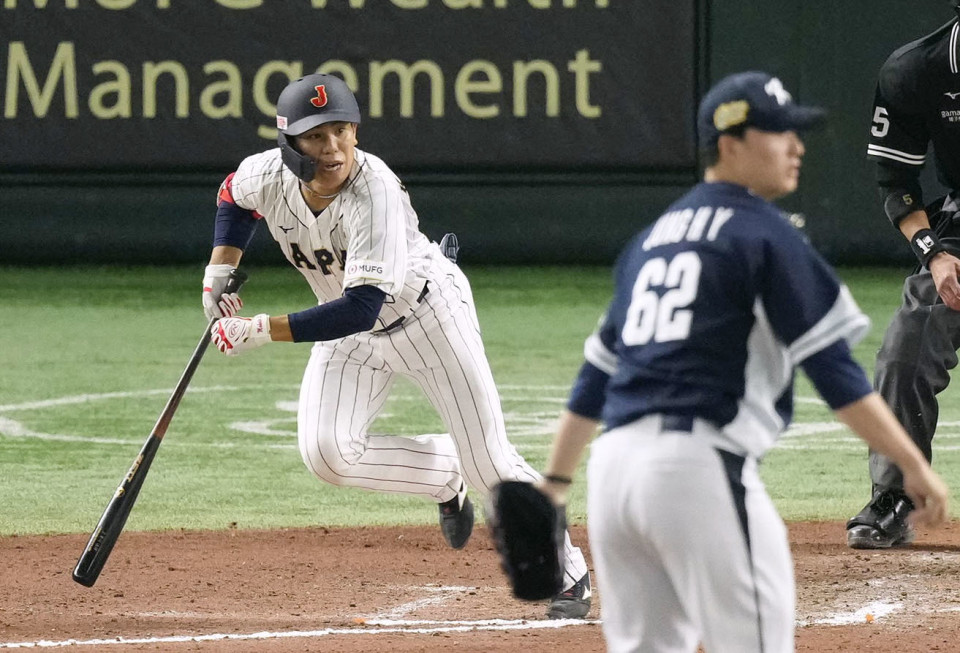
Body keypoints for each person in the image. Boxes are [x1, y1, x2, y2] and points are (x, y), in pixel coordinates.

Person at [534, 71, 950, 652]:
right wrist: (913, 466)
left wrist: (554, 486)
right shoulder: (765, 235)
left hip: (612, 480)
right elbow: (839, 378)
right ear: (731, 145)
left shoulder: (652, 238)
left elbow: (594, 379)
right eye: (779, 133)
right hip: (695, 473)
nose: (796, 147)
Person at [200, 73, 591, 619]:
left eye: (341, 130)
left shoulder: (373, 190)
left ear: (356, 131)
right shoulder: (267, 173)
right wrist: (219, 269)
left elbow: (361, 305)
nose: (332, 148)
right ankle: (442, 474)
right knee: (328, 454)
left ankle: (568, 573)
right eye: (316, 136)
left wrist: (261, 329)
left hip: (427, 318)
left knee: (491, 463)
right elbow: (232, 197)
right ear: (290, 145)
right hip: (352, 334)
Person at [847, 5, 960, 549]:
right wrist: (934, 254)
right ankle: (896, 497)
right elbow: (898, 183)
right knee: (907, 345)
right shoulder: (916, 71)